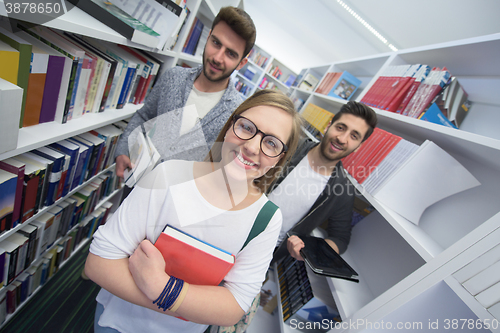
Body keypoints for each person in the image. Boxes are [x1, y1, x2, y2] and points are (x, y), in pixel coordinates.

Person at [84, 90, 303, 333]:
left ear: (279, 160)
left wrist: (161, 287)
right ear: (231, 125)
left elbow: (234, 306)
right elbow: (99, 264)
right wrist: (185, 303)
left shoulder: (267, 219)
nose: (251, 147)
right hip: (117, 322)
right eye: (247, 127)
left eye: (271, 143)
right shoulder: (168, 176)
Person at [114, 6, 257, 180]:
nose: (218, 58)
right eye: (216, 43)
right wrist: (123, 150)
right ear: (209, 36)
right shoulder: (173, 77)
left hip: (176, 202)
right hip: (137, 178)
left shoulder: (236, 115)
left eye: (231, 53)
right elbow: (144, 116)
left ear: (241, 63)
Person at [268, 101, 378, 263]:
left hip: (267, 254)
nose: (342, 139)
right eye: (340, 128)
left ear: (358, 147)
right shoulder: (291, 146)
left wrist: (308, 250)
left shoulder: (342, 189)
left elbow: (340, 238)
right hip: (233, 223)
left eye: (354, 136)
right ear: (328, 126)